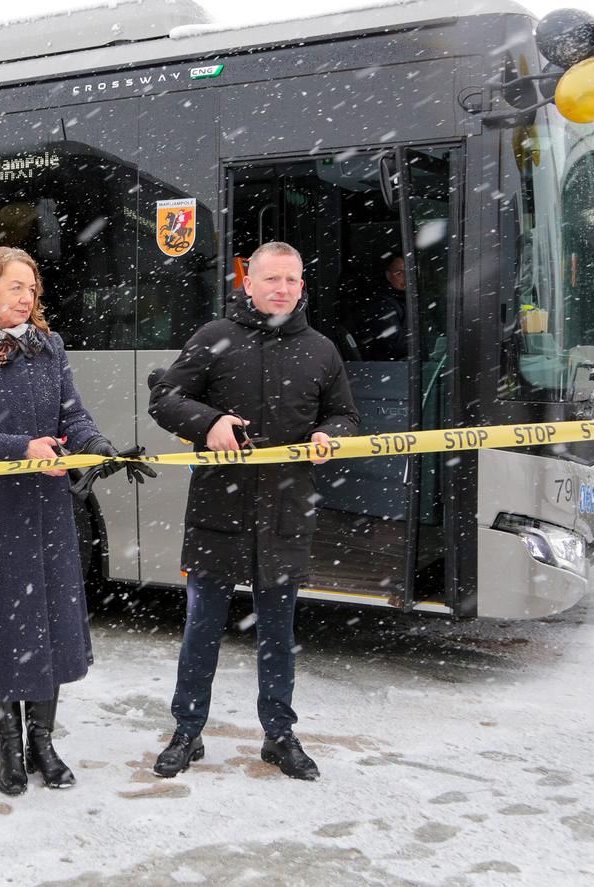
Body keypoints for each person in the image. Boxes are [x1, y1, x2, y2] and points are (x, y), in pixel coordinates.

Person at [0, 245, 150, 796]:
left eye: (32, 288)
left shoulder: (49, 347)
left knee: (45, 629)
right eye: (15, 288)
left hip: (46, 513)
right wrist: (20, 448)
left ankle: (43, 744)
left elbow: (71, 413)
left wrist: (98, 446)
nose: (27, 298)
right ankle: (8, 747)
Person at [148, 241, 359, 782]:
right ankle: (187, 731)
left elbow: (345, 416)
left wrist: (329, 433)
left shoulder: (321, 350)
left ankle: (279, 736)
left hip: (287, 514)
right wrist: (207, 423)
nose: (281, 289)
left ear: (301, 285)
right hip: (219, 510)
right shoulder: (214, 337)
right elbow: (165, 398)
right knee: (202, 627)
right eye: (271, 279)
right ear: (249, 283)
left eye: (291, 280)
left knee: (278, 633)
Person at [348, 253, 408, 360]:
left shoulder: (405, 299)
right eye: (399, 273)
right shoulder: (383, 305)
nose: (405, 278)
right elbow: (396, 346)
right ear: (388, 276)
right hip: (392, 368)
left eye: (408, 272)